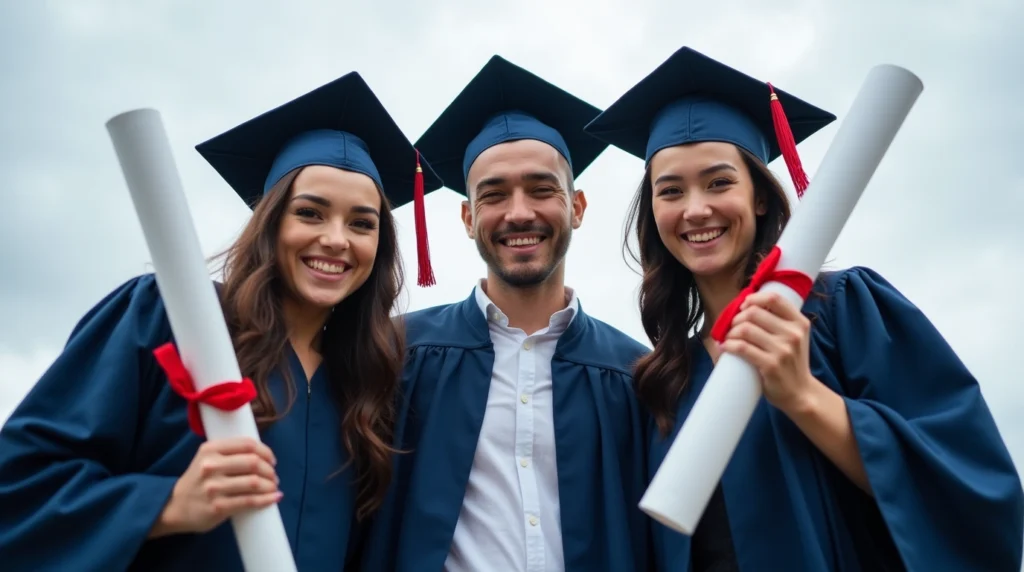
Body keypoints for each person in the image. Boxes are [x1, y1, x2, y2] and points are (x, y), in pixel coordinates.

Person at [583, 45, 1024, 571]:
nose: (696, 208)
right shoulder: (664, 380)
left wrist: (803, 396)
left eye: (720, 182)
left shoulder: (843, 311)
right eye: (670, 191)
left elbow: (969, 486)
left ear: (760, 196)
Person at [0, 71, 444, 571]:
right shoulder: (170, 317)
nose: (337, 240)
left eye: (362, 224)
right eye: (310, 213)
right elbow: (18, 482)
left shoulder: (369, 382)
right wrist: (164, 506)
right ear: (270, 222)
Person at [359, 55, 652, 572]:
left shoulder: (637, 374)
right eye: (493, 196)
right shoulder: (395, 353)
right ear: (469, 218)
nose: (519, 212)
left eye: (542, 190)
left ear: (577, 207)